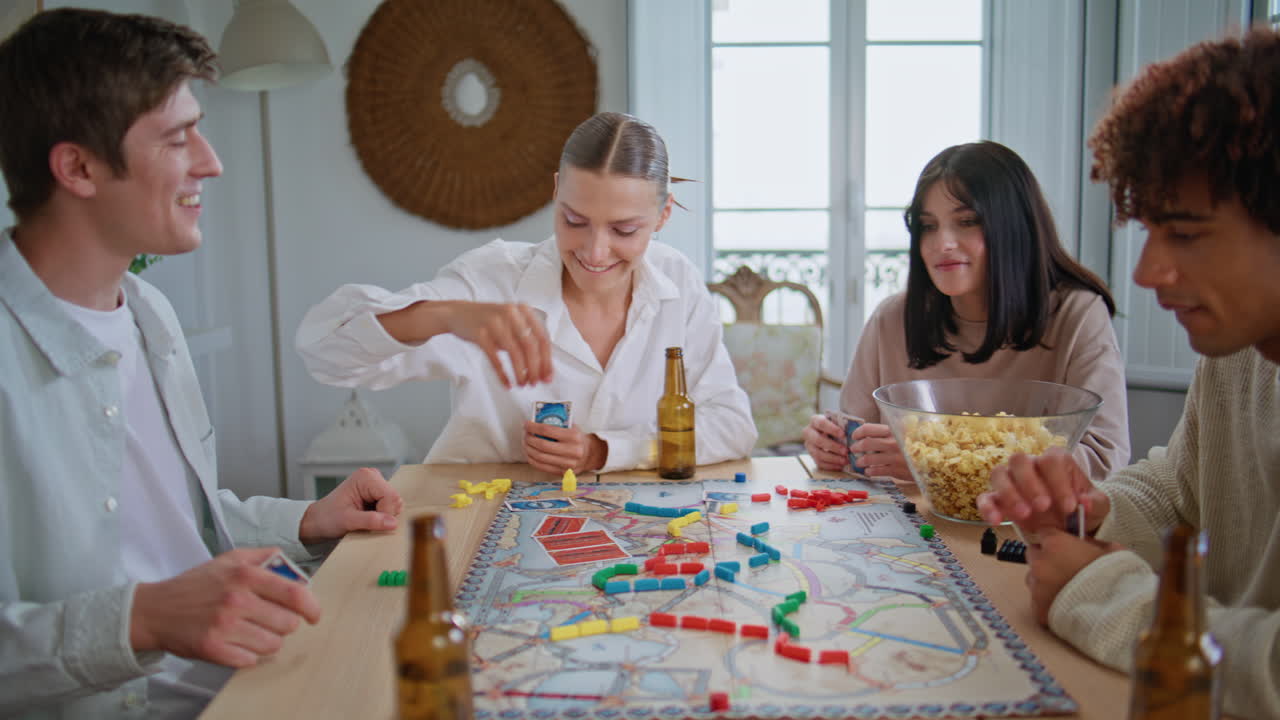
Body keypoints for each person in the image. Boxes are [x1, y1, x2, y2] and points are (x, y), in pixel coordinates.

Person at [0, 9, 403, 718]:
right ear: (78, 167)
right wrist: (143, 620)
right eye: (178, 138)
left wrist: (308, 520)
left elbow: (174, 530)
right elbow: (152, 596)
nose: (211, 162)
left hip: (252, 679)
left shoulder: (150, 314)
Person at [976, 27, 1280, 718]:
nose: (1146, 273)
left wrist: (1103, 594)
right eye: (1147, 231)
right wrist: (1090, 508)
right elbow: (1182, 489)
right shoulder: (1240, 353)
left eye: (1187, 234)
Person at [296, 112, 757, 474]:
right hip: (479, 522)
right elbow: (324, 352)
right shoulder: (490, 278)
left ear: (663, 215)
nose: (596, 252)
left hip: (631, 531)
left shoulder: (680, 282)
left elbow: (733, 428)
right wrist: (444, 315)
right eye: (574, 221)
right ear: (556, 191)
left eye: (624, 229)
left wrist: (602, 451)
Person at [803, 141, 1129, 484]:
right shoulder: (892, 318)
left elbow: (1105, 462)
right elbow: (857, 441)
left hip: (1026, 532)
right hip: (917, 528)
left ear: (1015, 226)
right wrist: (832, 445)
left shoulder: (1077, 314)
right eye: (928, 226)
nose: (942, 243)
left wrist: (937, 462)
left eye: (967, 221)